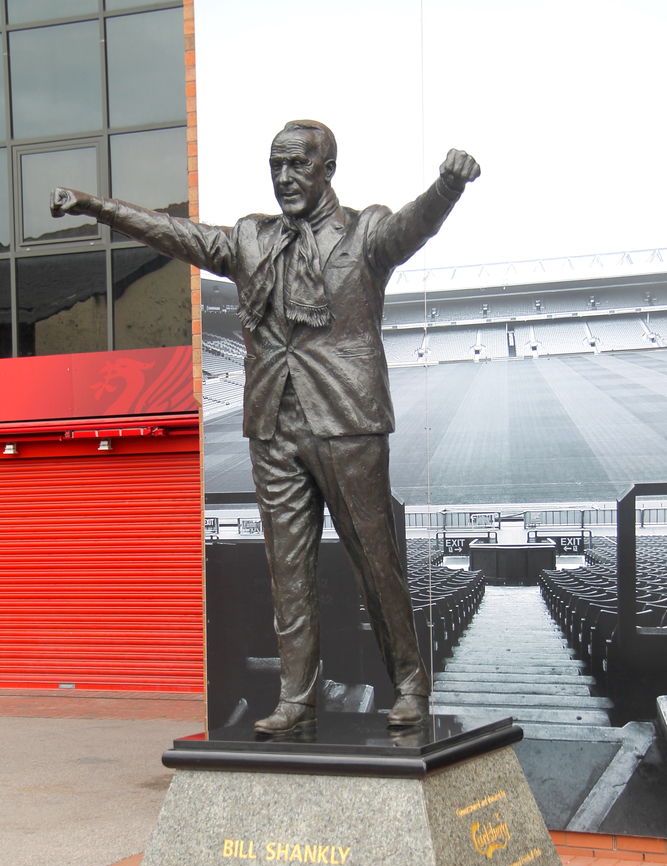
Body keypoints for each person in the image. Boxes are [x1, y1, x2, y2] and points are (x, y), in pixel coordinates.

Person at [51, 120, 480, 734]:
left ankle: (410, 685)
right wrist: (97, 207)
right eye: (274, 166)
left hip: (346, 421)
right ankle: (297, 696)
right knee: (288, 571)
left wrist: (447, 186)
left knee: (375, 561)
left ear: (327, 168)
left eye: (296, 166)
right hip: (272, 425)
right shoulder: (253, 237)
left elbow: (415, 225)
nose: (283, 179)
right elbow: (178, 235)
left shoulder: (364, 233)